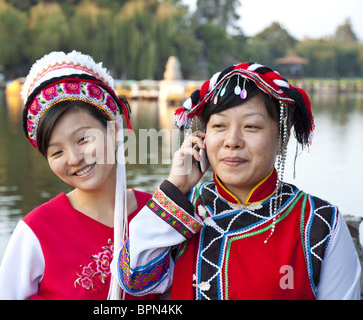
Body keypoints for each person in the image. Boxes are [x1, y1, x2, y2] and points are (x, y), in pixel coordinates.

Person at [112, 62, 361, 300]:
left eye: (251, 126)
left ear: (282, 139)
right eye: (219, 126)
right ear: (203, 136)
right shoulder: (180, 211)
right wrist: (176, 188)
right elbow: (134, 279)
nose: (232, 141)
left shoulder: (319, 223)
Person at [0, 50, 156, 300]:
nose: (74, 159)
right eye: (56, 153)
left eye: (83, 139)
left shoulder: (155, 214)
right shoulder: (37, 231)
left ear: (115, 130)